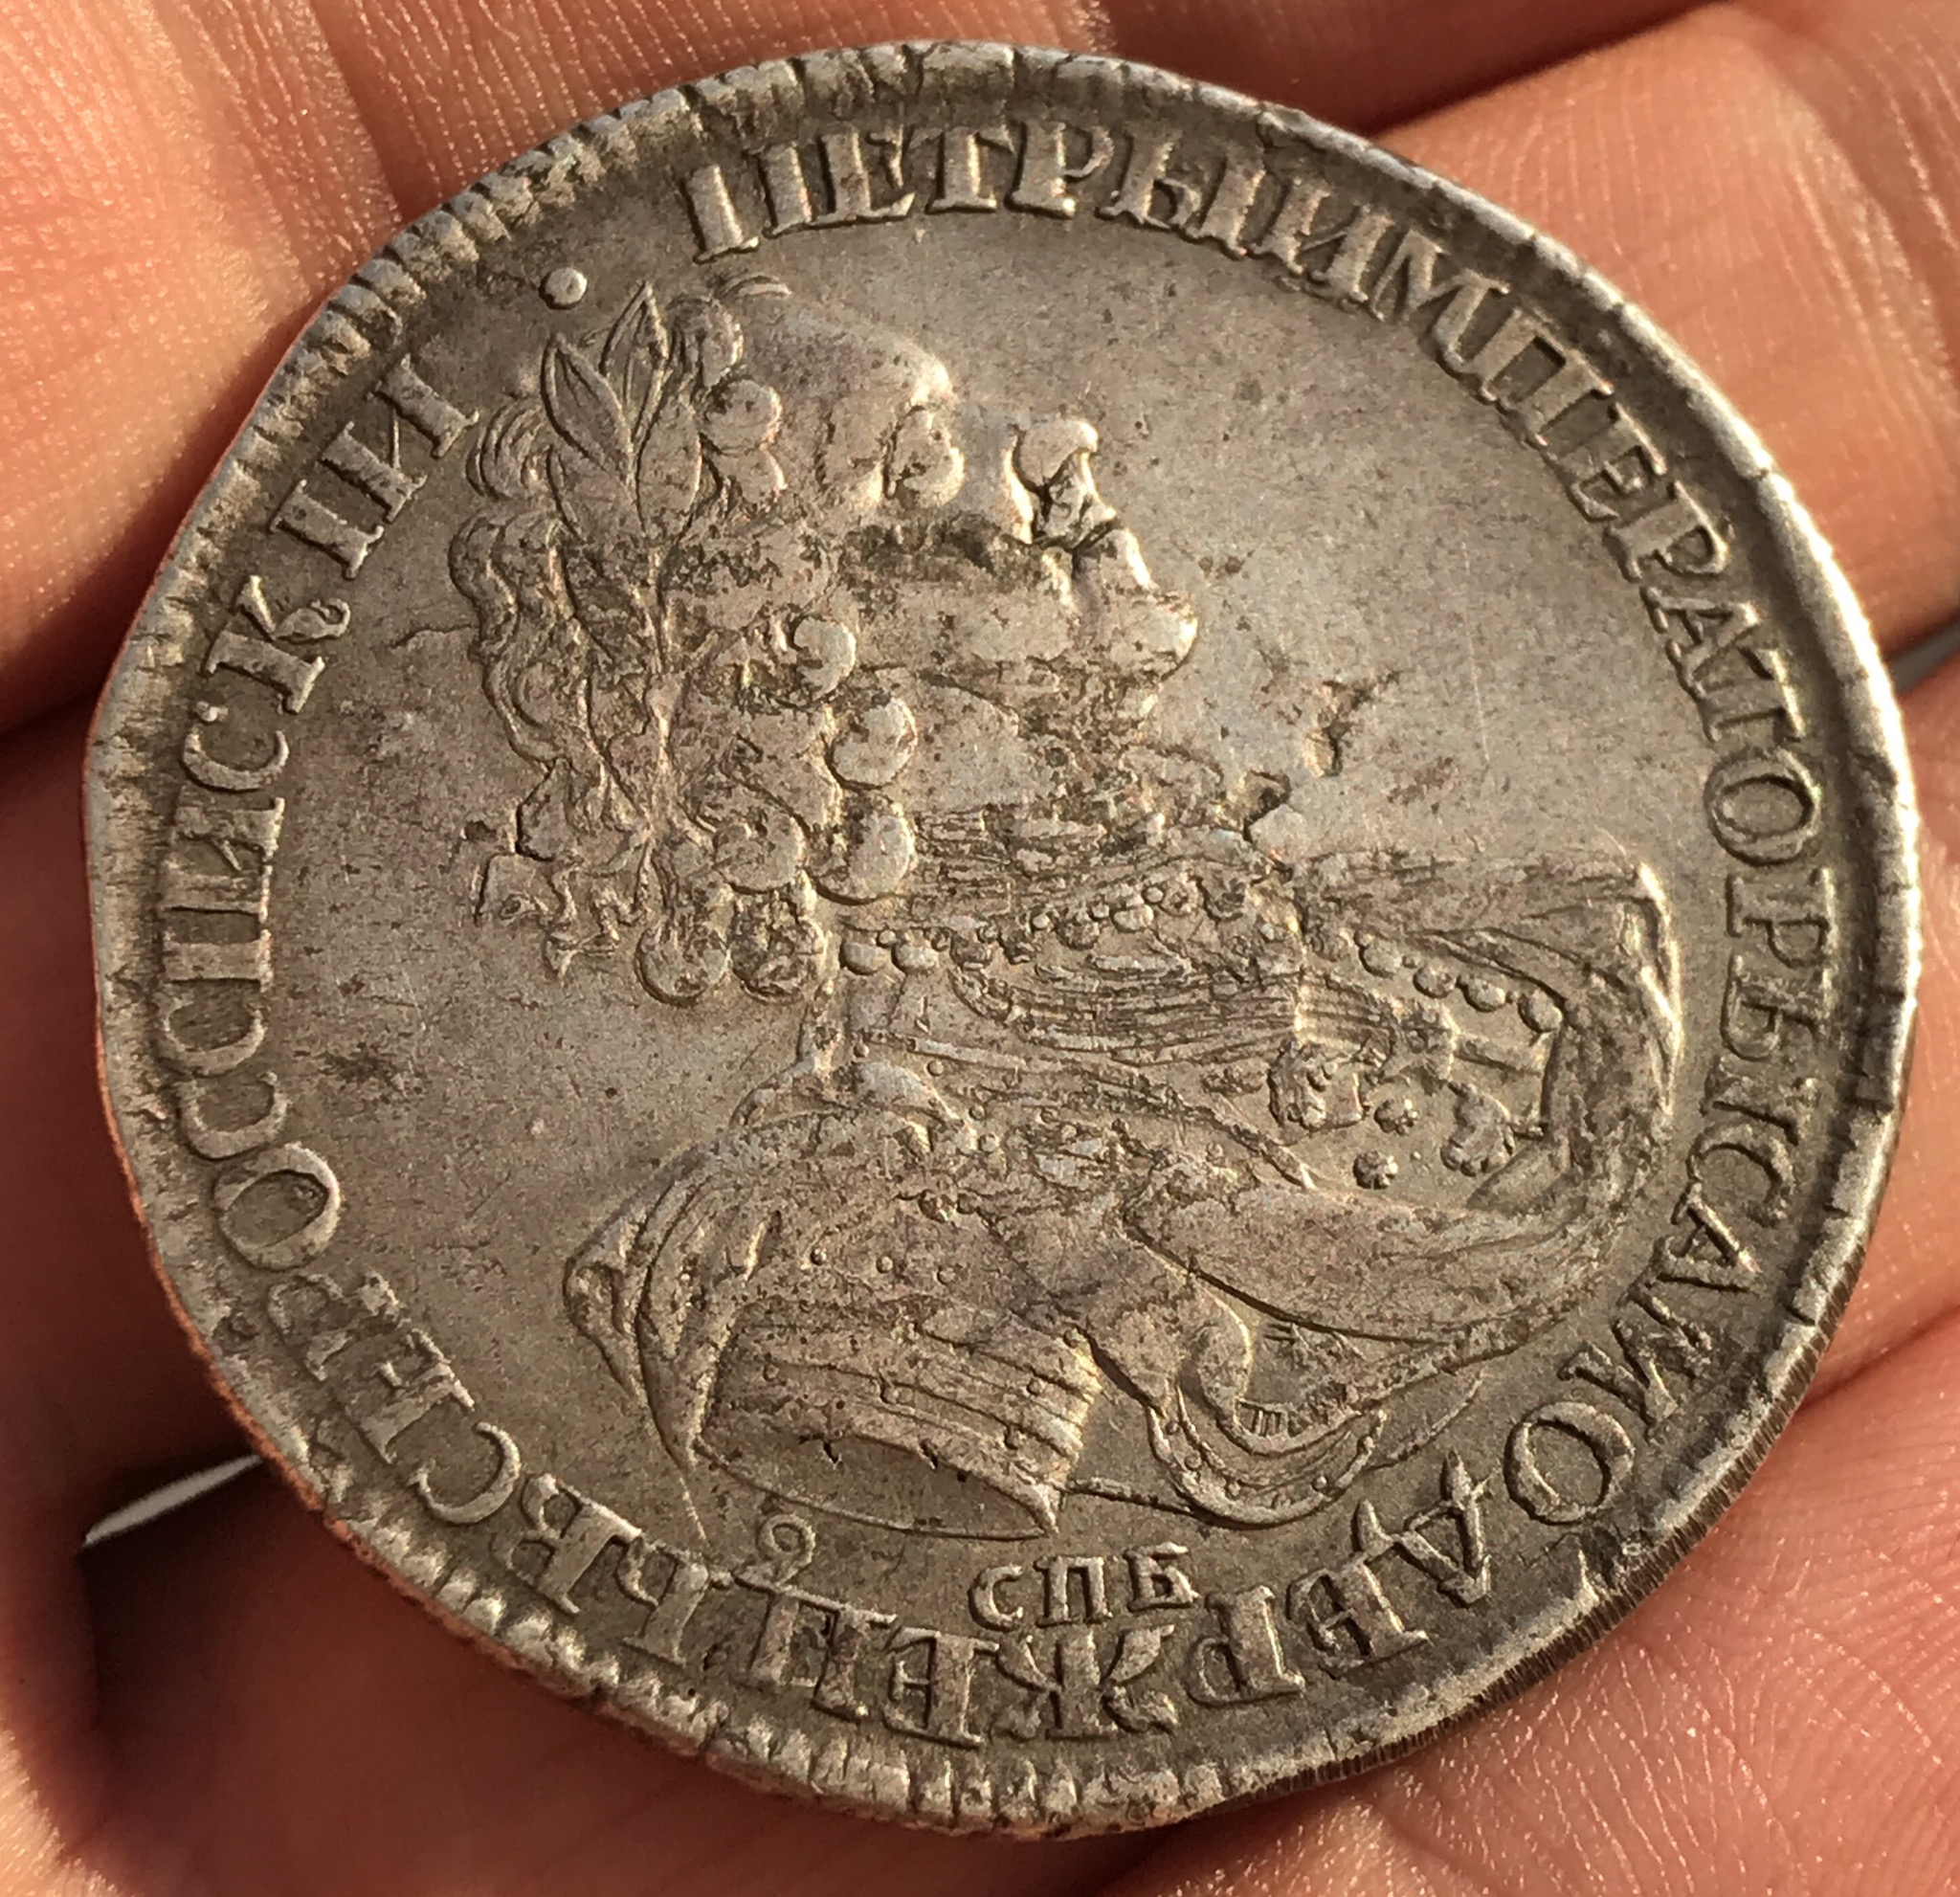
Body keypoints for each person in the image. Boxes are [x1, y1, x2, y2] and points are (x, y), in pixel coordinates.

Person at [5, 1, 1960, 1891]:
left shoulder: (1351, 1025)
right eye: (946, 493)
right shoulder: (837, 1299)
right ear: (811, 694)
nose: (1071, 472)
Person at [452, 274, 1683, 1537]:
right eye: (924, 465)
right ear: (799, 647)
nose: (1046, 454)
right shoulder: (877, 1235)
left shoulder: (1352, 928)